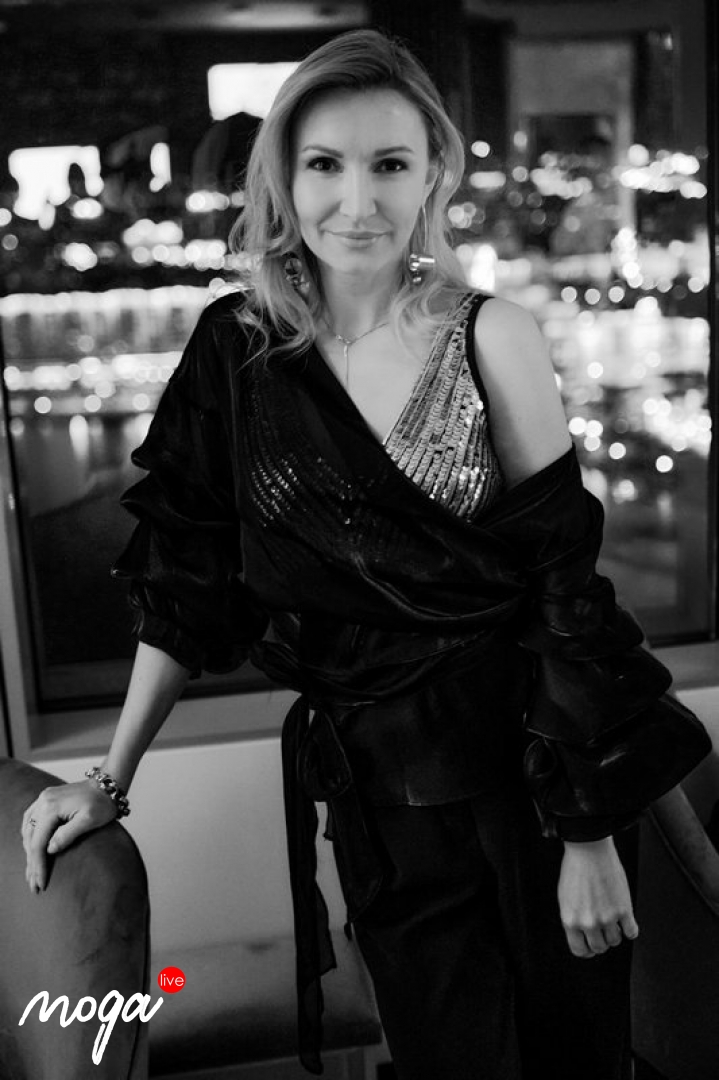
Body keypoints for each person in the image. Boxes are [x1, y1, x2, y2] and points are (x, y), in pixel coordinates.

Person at [21, 28, 709, 1080]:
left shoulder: (492, 336)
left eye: (389, 163)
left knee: (571, 1061)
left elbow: (564, 593)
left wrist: (584, 836)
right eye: (324, 164)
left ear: (433, 173)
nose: (357, 201)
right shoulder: (235, 349)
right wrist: (109, 781)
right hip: (377, 806)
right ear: (283, 180)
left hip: (532, 790)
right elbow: (185, 584)